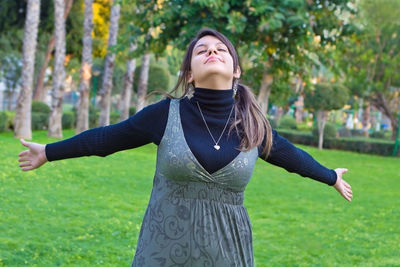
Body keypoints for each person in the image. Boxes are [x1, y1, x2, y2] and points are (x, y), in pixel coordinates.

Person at [18, 28, 353, 267]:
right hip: (162, 250)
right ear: (190, 74)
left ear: (235, 70)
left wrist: (330, 177)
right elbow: (107, 139)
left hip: (228, 252)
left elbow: (292, 158)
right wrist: (48, 151)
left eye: (221, 49)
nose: (212, 52)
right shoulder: (165, 115)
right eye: (202, 50)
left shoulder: (254, 126)